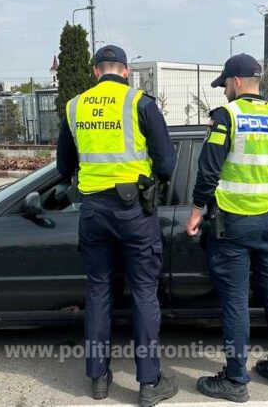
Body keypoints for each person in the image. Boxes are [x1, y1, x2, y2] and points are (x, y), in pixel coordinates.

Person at [56, 45, 179, 407]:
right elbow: (167, 164)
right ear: (126, 71)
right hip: (134, 211)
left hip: (93, 211)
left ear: (96, 71)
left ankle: (98, 379)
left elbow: (64, 166)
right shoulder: (140, 102)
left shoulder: (75, 106)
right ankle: (149, 384)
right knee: (143, 293)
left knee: (98, 292)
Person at [185, 53, 268, 403]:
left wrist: (196, 211)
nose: (223, 89)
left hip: (233, 224)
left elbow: (208, 170)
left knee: (236, 301)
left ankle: (236, 379)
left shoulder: (227, 116)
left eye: (225, 83)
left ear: (237, 81)